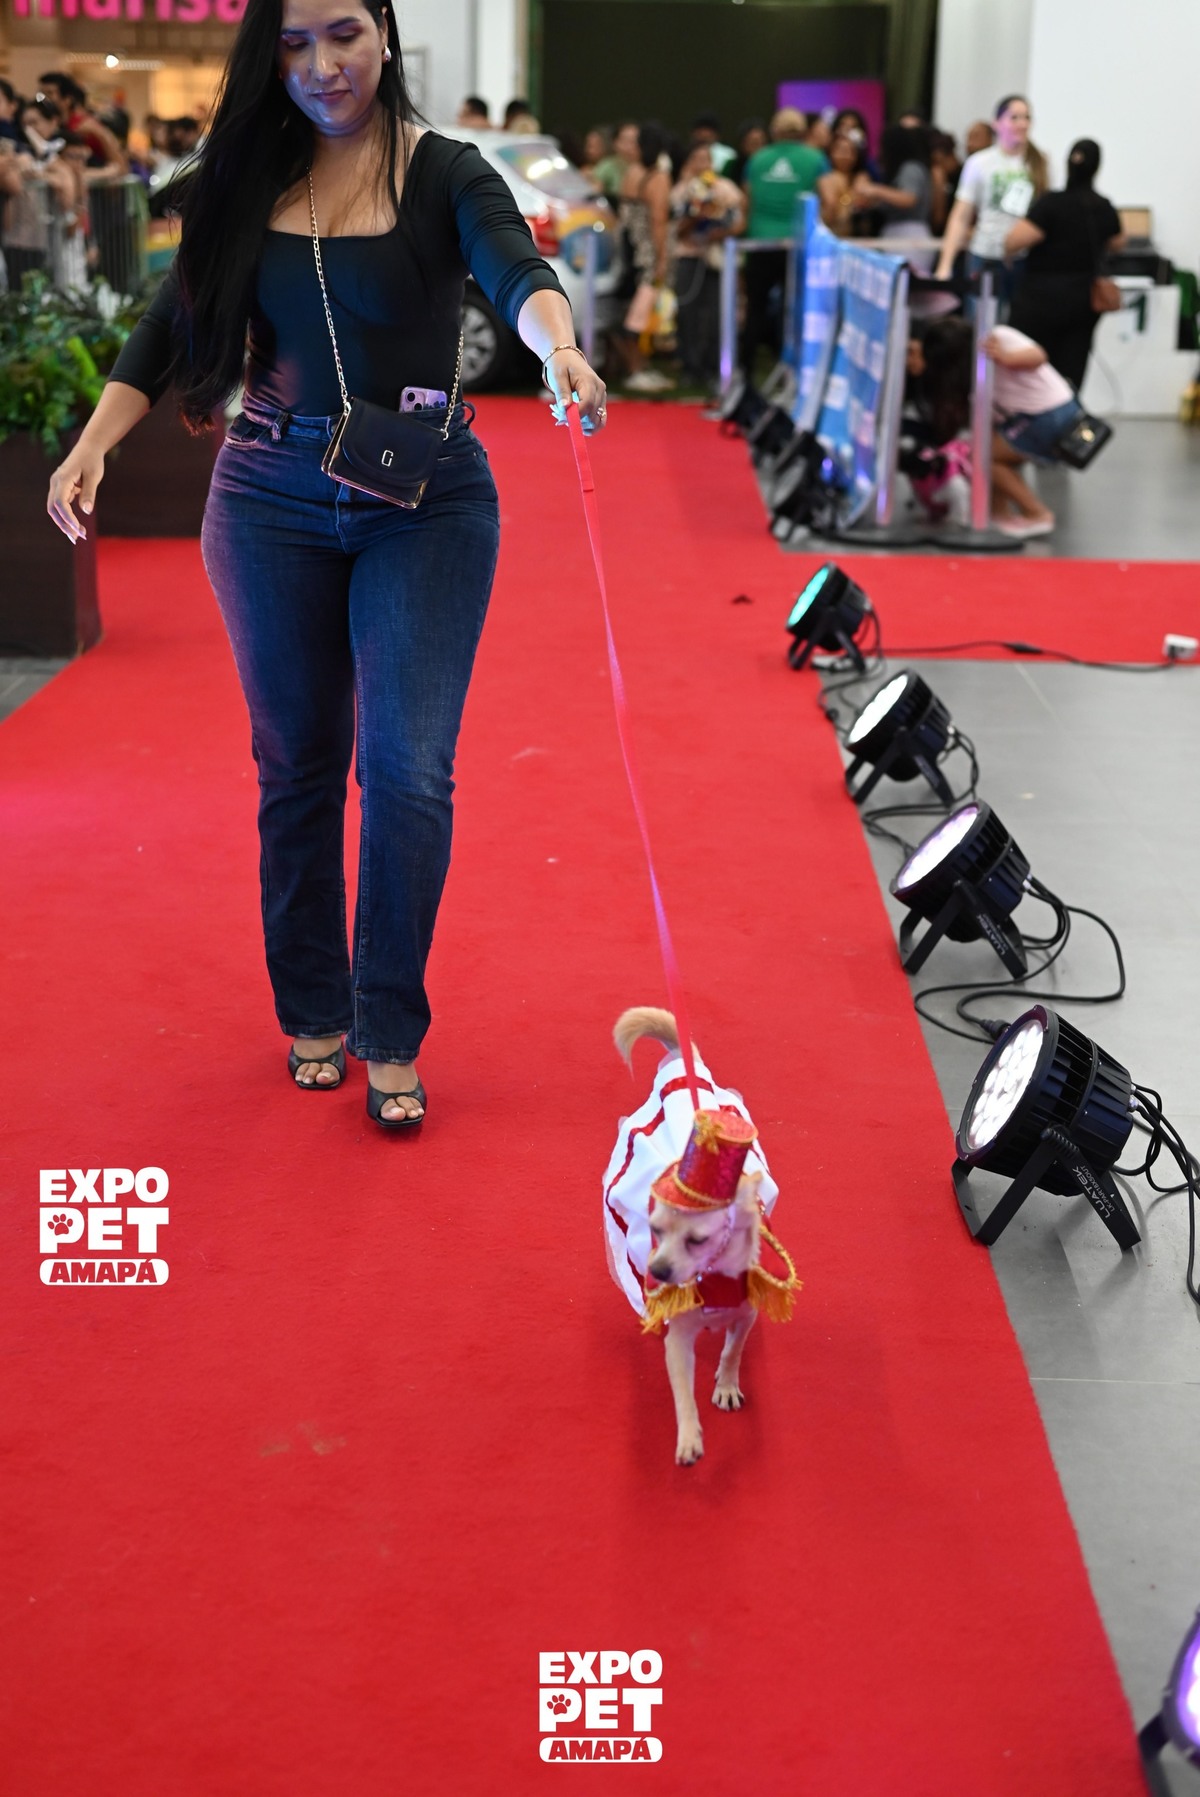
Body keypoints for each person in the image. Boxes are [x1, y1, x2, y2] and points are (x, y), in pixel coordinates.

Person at [45, 0, 606, 1129]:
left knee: (407, 770)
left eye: (343, 34)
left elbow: (514, 268)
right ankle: (311, 1005)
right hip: (267, 495)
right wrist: (95, 439)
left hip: (426, 498)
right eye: (295, 44)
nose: (322, 66)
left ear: (384, 33)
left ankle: (388, 1024)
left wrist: (560, 350)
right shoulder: (243, 176)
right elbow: (170, 319)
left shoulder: (447, 171)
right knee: (297, 765)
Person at [1005, 138, 1123, 392]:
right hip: (1082, 300)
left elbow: (1014, 241)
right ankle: (1066, 415)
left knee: (1028, 370)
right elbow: (1118, 242)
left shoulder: (1051, 203)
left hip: (1040, 298)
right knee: (1071, 370)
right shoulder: (1103, 207)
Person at [935, 95, 1048, 309]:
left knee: (1015, 323)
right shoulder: (980, 163)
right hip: (984, 255)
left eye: (1026, 118)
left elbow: (1046, 214)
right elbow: (961, 215)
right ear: (997, 123)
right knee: (981, 321)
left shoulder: (1039, 163)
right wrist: (945, 264)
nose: (1022, 124)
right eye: (1014, 117)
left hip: (1024, 258)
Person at [739, 107, 824, 374]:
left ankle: (744, 372)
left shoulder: (758, 160)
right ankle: (795, 370)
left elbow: (746, 202)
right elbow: (830, 200)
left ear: (774, 131)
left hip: (760, 243)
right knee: (796, 309)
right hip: (797, 244)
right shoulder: (815, 159)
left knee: (755, 309)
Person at [669, 140, 743, 388]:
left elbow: (739, 222)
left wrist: (720, 232)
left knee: (716, 314)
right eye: (697, 159)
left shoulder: (726, 188)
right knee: (688, 313)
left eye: (707, 159)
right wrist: (696, 211)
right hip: (689, 257)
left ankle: (714, 368)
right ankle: (690, 367)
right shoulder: (682, 190)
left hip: (717, 259)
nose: (702, 164)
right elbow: (677, 228)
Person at [615, 121, 674, 392]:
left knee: (631, 309)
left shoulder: (631, 173)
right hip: (646, 251)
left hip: (627, 248)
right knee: (639, 314)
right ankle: (636, 369)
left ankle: (637, 366)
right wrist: (662, 258)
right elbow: (658, 220)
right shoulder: (658, 177)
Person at [816, 130, 870, 237]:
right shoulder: (825, 180)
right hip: (833, 234)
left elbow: (863, 202)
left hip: (859, 236)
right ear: (831, 153)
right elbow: (830, 209)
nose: (846, 156)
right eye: (841, 151)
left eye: (851, 151)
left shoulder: (862, 177)